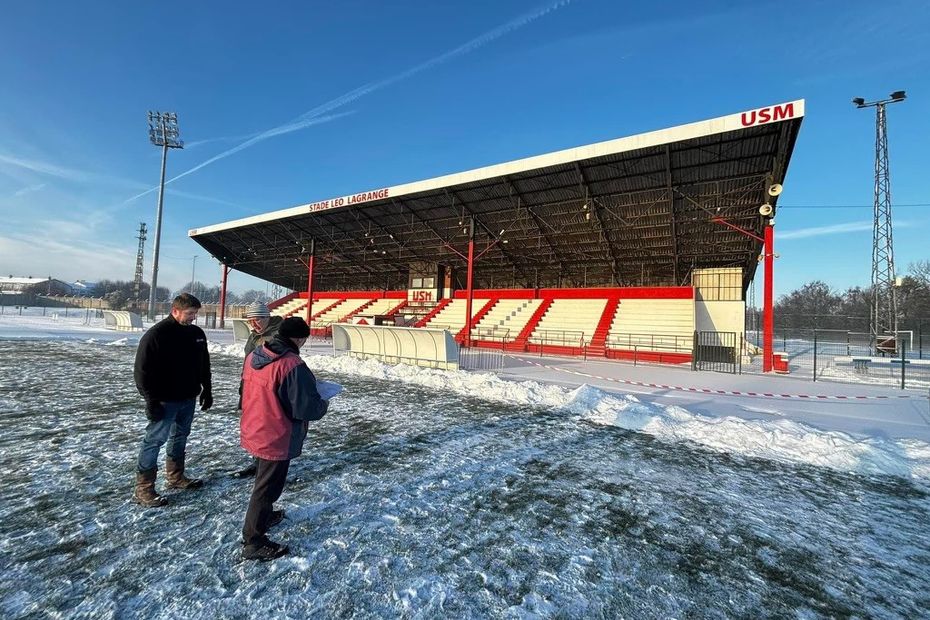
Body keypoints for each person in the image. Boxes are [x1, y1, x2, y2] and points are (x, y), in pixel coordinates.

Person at [240, 316, 328, 561]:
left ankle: (264, 516)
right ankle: (253, 540)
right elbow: (305, 408)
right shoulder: (291, 364)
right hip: (276, 432)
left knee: (265, 480)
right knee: (266, 487)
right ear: (299, 338)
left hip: (255, 424)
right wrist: (323, 403)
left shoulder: (255, 355)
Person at [132, 293, 213, 507]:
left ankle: (176, 477)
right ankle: (144, 488)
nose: (193, 317)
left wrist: (207, 389)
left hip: (188, 398)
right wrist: (150, 400)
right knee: (154, 441)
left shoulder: (196, 334)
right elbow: (142, 371)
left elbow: (204, 363)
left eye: (195, 313)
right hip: (165, 400)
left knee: (180, 437)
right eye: (189, 313)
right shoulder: (157, 335)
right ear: (175, 310)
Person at [232, 301, 284, 478]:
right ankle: (258, 461)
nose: (254, 325)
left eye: (258, 320)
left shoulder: (279, 335)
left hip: (268, 388)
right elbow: (247, 359)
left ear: (267, 317)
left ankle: (270, 465)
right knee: (255, 425)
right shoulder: (254, 336)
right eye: (250, 321)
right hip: (251, 385)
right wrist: (243, 384)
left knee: (269, 427)